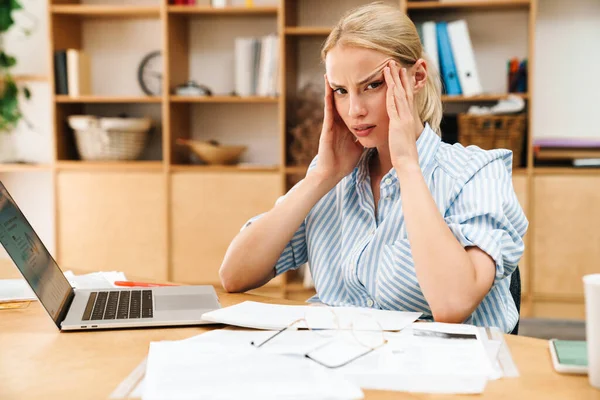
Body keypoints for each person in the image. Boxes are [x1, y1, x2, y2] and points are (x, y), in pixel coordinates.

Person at [219, 2, 528, 333]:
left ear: (417, 77)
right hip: (341, 365)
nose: (354, 110)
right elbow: (235, 275)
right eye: (340, 90)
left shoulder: (477, 173)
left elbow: (452, 305)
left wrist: (408, 165)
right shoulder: (332, 178)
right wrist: (319, 178)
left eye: (372, 85)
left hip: (444, 375)